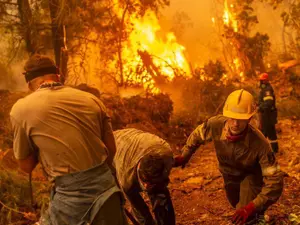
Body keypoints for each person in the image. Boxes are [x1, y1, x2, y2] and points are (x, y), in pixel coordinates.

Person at [10, 54, 127, 225]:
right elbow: (111, 150)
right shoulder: (91, 100)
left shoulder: (20, 109)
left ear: (29, 84)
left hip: (69, 199)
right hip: (107, 192)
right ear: (59, 76)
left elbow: (26, 166)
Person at [174, 89, 284, 225]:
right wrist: (185, 155)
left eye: (241, 119)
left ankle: (255, 216)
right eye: (232, 118)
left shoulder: (260, 143)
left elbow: (275, 181)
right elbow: (198, 135)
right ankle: (255, 214)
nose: (235, 124)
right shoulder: (215, 125)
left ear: (249, 118)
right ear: (226, 115)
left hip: (250, 177)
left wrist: (251, 207)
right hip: (229, 176)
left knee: (245, 214)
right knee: (235, 203)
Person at [113, 128, 175, 225]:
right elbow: (138, 208)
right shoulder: (126, 179)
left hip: (144, 143)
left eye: (150, 182)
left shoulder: (166, 158)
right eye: (144, 181)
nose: (146, 186)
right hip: (114, 143)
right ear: (139, 170)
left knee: (159, 194)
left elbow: (160, 191)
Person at [258, 73, 279, 153]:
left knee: (265, 132)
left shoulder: (267, 90)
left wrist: (260, 107)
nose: (261, 82)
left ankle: (264, 151)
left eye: (262, 81)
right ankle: (274, 150)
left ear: (265, 81)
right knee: (270, 133)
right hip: (267, 115)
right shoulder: (265, 89)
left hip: (268, 115)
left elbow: (268, 103)